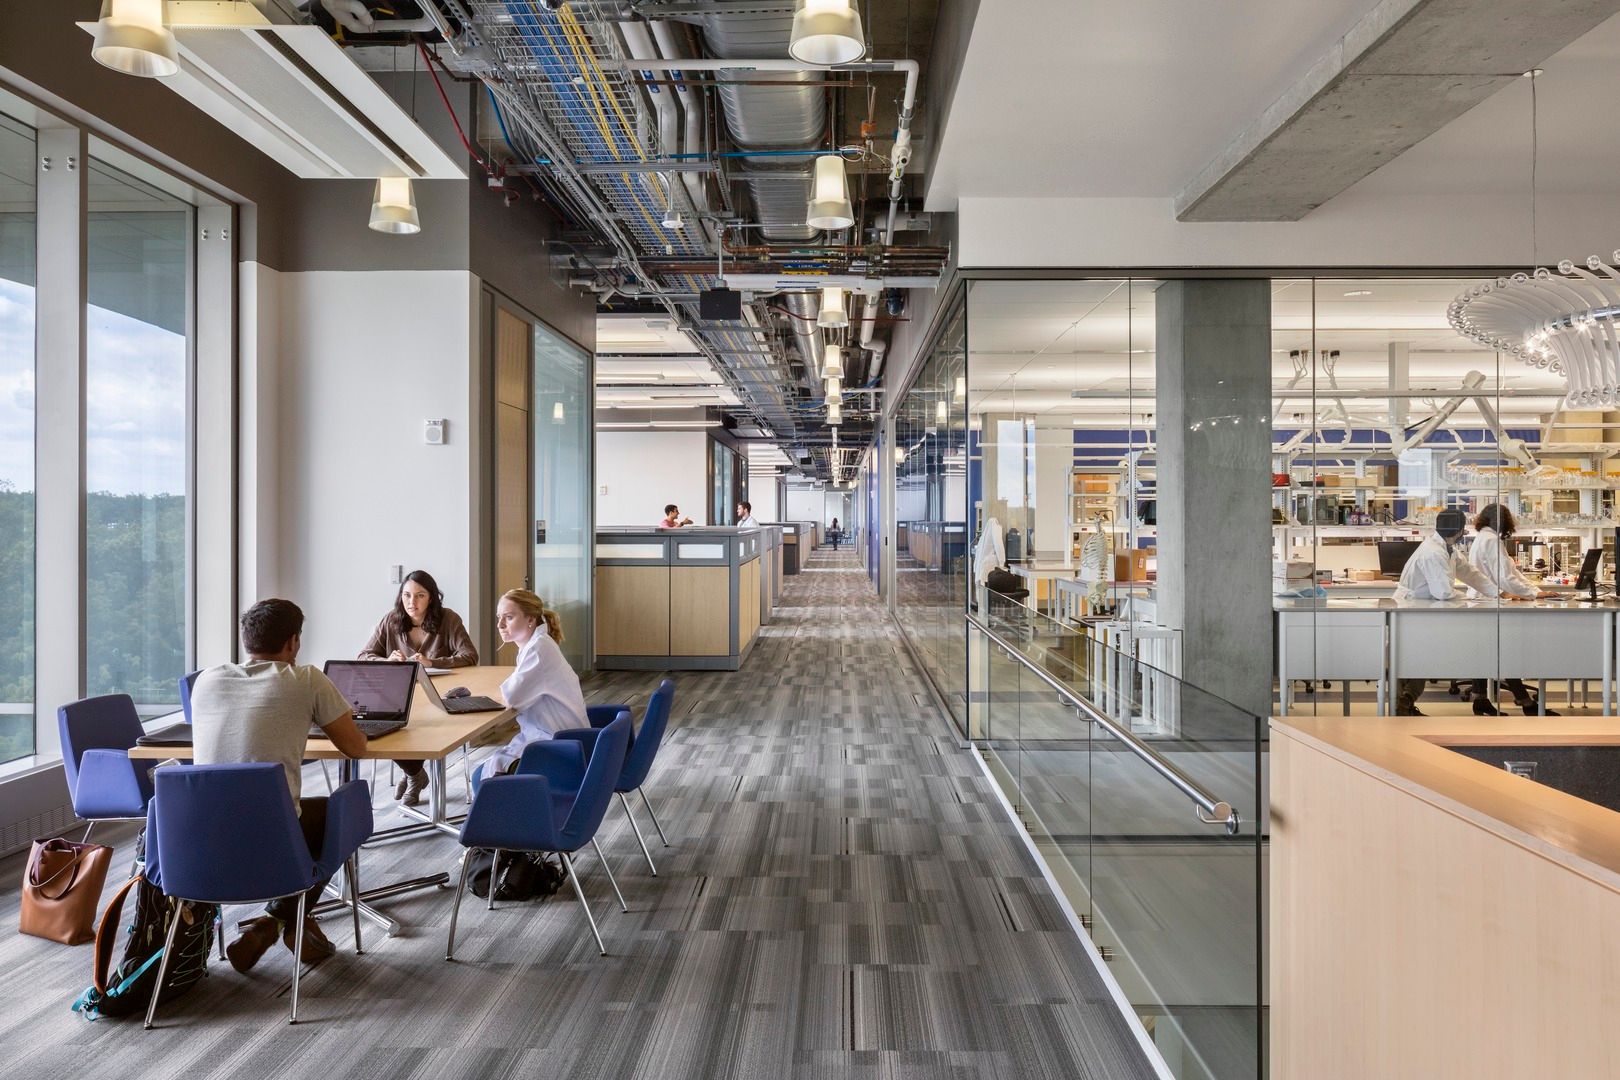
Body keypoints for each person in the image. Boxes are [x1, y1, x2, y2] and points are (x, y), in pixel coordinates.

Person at [190, 598, 365, 972]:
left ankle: (278, 923)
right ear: (293, 642)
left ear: (246, 641)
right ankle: (277, 921)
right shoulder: (306, 679)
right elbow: (354, 746)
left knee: (311, 810)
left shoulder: (207, 679)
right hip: (271, 845)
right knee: (343, 808)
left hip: (199, 846)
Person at [358, 570, 478, 805]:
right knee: (384, 722)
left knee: (418, 722)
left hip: (437, 694)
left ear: (431, 597)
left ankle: (412, 775)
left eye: (419, 595)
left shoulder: (448, 619)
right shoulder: (391, 620)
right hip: (399, 694)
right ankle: (415, 774)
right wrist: (387, 662)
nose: (412, 602)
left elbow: (470, 655)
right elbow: (364, 655)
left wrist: (432, 662)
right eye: (406, 595)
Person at [474, 588, 588, 787]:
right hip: (563, 740)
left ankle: (504, 817)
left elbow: (512, 698)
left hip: (561, 747)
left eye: (508, 617)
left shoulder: (538, 649)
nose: (500, 624)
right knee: (484, 772)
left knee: (484, 778)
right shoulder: (537, 645)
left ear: (530, 620)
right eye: (499, 617)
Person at [1392, 509, 1498, 716]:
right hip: (1410, 610)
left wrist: (1497, 593)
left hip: (1421, 612)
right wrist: (1472, 600)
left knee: (1417, 659)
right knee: (1412, 660)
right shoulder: (1433, 552)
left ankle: (1404, 704)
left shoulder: (1447, 548)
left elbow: (1470, 573)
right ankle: (1400, 705)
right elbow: (1443, 592)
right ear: (1459, 531)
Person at [1467, 504, 1558, 716]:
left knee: (1489, 653)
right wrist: (1534, 594)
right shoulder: (1491, 541)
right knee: (1504, 652)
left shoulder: (1484, 538)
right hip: (1489, 603)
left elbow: (1512, 573)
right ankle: (1525, 702)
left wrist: (1535, 590)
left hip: (1485, 601)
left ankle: (1482, 700)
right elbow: (1505, 578)